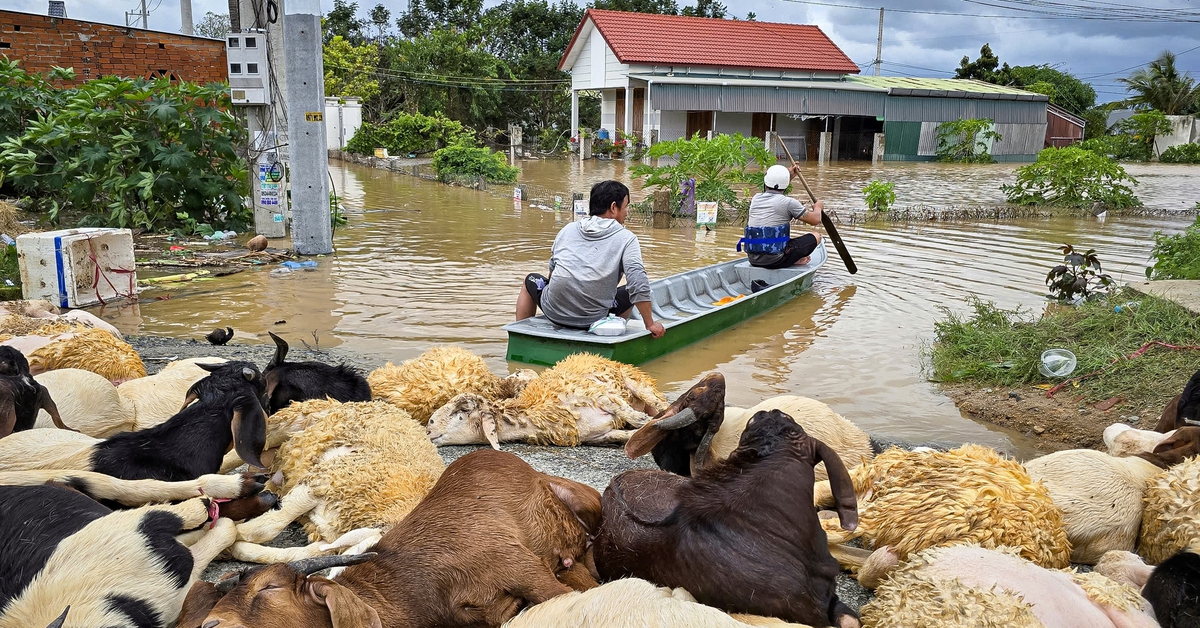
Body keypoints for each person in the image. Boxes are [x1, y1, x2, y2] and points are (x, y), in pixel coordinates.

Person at [515, 180, 666, 339]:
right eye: (626, 207)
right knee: (630, 291)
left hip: (553, 311)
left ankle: (521, 335)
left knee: (530, 279)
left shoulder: (567, 229)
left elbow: (553, 274)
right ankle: (611, 334)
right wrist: (650, 324)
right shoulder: (627, 238)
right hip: (594, 320)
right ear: (614, 207)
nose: (627, 213)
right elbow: (638, 283)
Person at [740, 164, 824, 269]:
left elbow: (774, 190)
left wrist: (787, 175)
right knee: (816, 236)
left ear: (765, 182)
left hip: (753, 259)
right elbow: (815, 220)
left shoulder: (756, 199)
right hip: (776, 260)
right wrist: (818, 207)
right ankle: (792, 260)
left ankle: (793, 258)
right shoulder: (789, 203)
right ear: (786, 185)